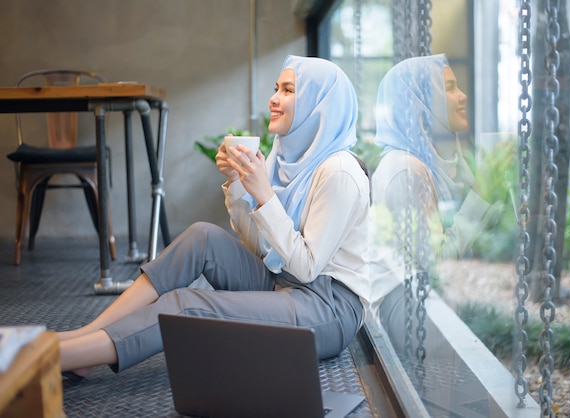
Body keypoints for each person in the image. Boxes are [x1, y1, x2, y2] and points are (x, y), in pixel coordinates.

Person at [58, 55, 371, 379]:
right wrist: (237, 184)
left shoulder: (339, 173)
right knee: (201, 236)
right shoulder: (287, 159)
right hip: (283, 279)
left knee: (188, 303)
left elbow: (306, 268)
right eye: (277, 88)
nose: (274, 99)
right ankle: (88, 336)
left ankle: (63, 354)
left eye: (289, 90)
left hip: (326, 307)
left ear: (318, 104)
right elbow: (261, 249)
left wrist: (264, 196)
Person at [368, 54, 498, 354]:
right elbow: (436, 264)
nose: (462, 95)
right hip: (409, 319)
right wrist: (483, 194)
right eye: (450, 87)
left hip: (414, 307)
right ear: (420, 101)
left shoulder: (422, 161)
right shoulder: (407, 171)